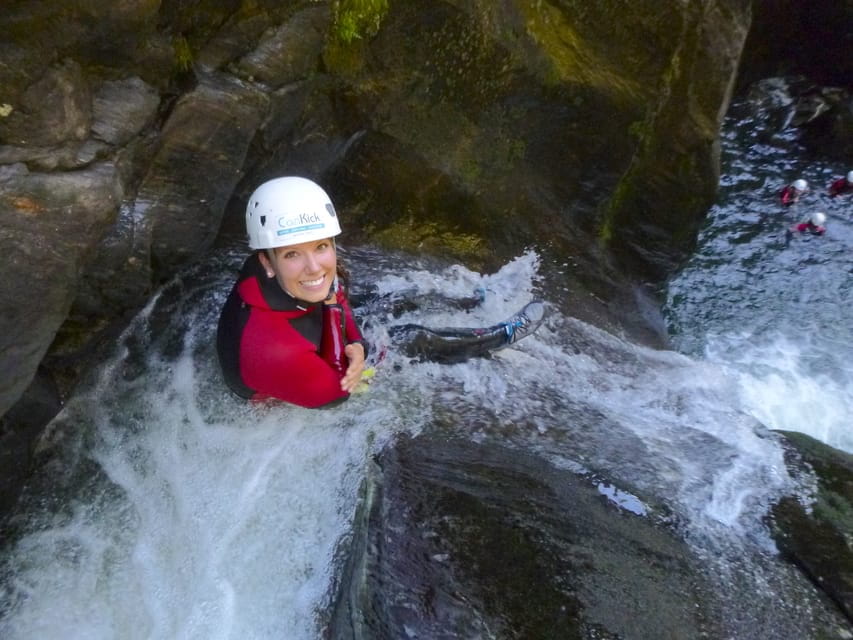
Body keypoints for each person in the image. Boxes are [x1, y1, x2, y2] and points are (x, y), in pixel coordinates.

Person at [217, 176, 546, 409]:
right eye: (292, 254)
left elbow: (334, 290)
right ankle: (501, 335)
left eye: (321, 247)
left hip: (297, 324)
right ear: (268, 261)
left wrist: (355, 340)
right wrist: (355, 351)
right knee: (412, 337)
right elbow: (337, 394)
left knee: (390, 301)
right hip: (289, 379)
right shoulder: (275, 349)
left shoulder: (267, 268)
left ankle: (470, 301)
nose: (314, 267)